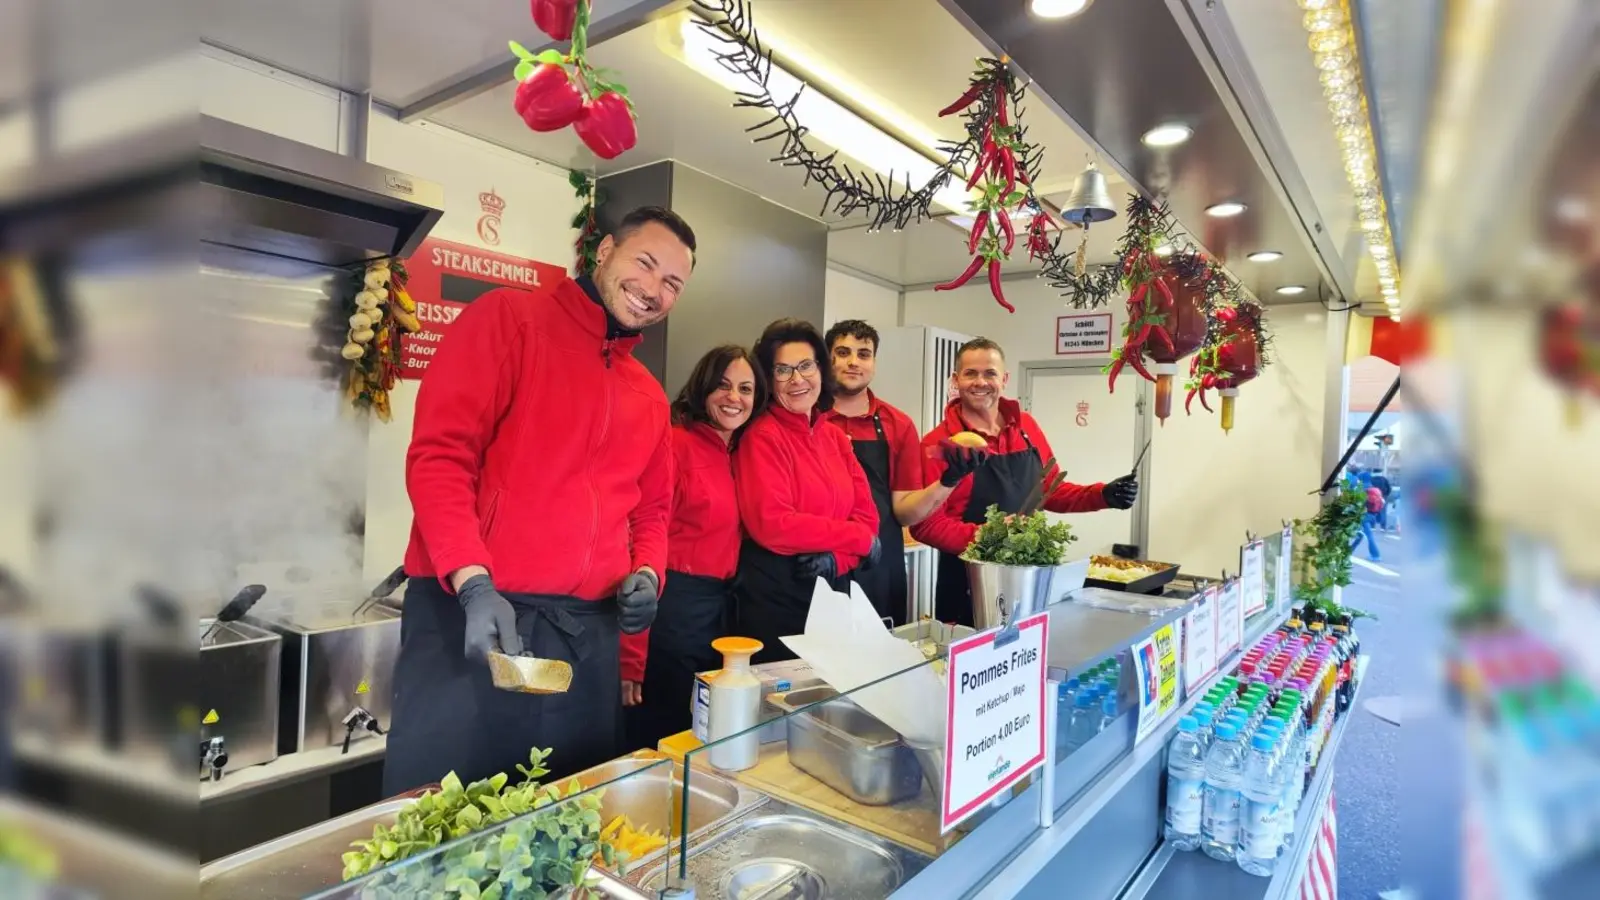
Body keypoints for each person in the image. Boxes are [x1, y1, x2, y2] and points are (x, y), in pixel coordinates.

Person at [384, 206, 697, 795]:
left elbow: (653, 511)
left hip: (585, 639)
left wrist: (649, 574)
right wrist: (473, 583)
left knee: (565, 813)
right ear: (605, 250)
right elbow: (440, 456)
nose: (654, 289)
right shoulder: (509, 320)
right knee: (444, 818)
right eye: (645, 263)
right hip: (476, 619)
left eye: (673, 283)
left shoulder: (649, 396)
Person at [911, 338, 1140, 626]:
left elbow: (1050, 490)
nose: (980, 382)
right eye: (970, 373)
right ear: (956, 380)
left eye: (990, 373)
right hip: (967, 584)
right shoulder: (938, 444)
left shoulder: (1026, 428)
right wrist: (990, 537)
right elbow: (925, 525)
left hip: (1028, 576)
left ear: (1004, 379)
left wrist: (1103, 494)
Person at [624, 345, 763, 751]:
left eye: (745, 388)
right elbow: (639, 539)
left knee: (703, 735)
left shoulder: (739, 453)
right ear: (703, 388)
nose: (734, 398)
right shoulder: (676, 445)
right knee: (663, 735)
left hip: (720, 614)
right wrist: (631, 655)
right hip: (671, 612)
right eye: (723, 385)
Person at [819, 320, 989, 626]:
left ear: (874, 362)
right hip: (817, 559)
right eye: (843, 352)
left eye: (863, 354)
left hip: (879, 564)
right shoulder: (809, 417)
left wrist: (948, 480)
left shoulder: (897, 424)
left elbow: (904, 512)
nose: (853, 361)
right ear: (827, 358)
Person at [732, 319, 882, 664]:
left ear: (821, 369)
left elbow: (867, 516)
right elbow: (773, 524)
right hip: (776, 600)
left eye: (805, 366)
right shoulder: (761, 436)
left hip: (832, 593)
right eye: (782, 370)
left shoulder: (833, 436)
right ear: (769, 380)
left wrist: (837, 560)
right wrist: (858, 541)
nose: (797, 379)